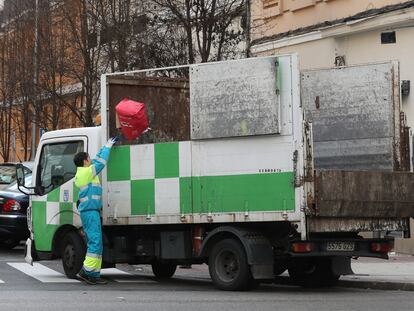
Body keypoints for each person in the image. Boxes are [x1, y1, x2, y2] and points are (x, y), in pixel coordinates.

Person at [73, 136, 118, 285]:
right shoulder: (86, 172)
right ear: (85, 161)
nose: (91, 159)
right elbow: (100, 162)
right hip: (90, 212)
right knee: (95, 243)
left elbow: (97, 158)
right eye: (89, 158)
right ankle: (86, 271)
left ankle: (94, 275)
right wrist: (108, 146)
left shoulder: (84, 172)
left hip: (91, 212)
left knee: (96, 243)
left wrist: (104, 146)